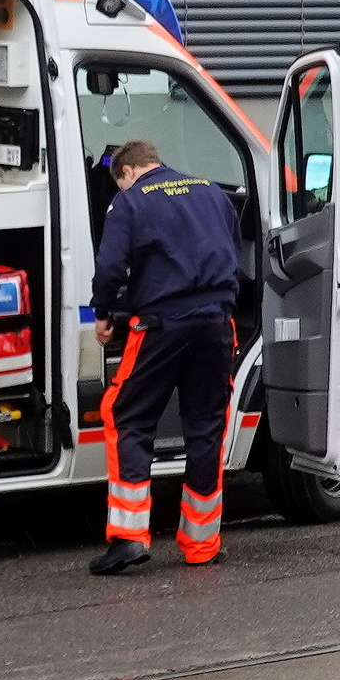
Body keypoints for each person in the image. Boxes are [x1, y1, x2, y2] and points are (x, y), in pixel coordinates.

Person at [87, 139, 242, 575]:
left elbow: (111, 265)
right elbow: (235, 252)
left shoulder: (131, 202)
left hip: (161, 324)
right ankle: (202, 543)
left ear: (127, 172)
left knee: (126, 415)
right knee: (206, 426)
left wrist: (104, 313)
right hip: (216, 324)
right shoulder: (213, 192)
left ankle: (129, 538)